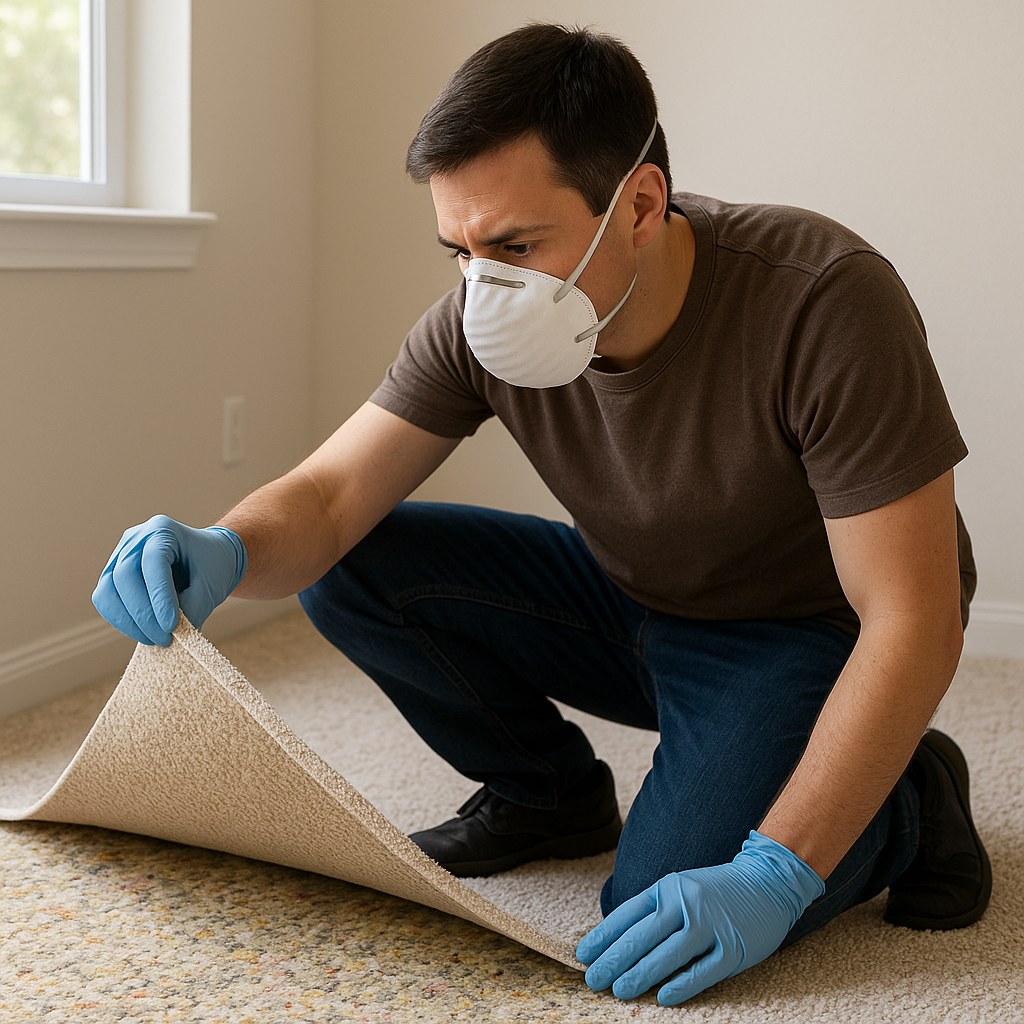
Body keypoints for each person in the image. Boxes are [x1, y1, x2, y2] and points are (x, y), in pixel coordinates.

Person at [93, 23, 990, 1007]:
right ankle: (547, 795)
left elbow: (913, 615)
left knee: (652, 907)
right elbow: (331, 496)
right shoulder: (478, 322)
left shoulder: (821, 300)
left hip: (799, 632)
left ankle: (906, 800)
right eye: (460, 248)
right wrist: (225, 545)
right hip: (632, 595)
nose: (483, 285)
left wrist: (779, 866)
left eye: (516, 244)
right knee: (349, 558)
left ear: (640, 205)